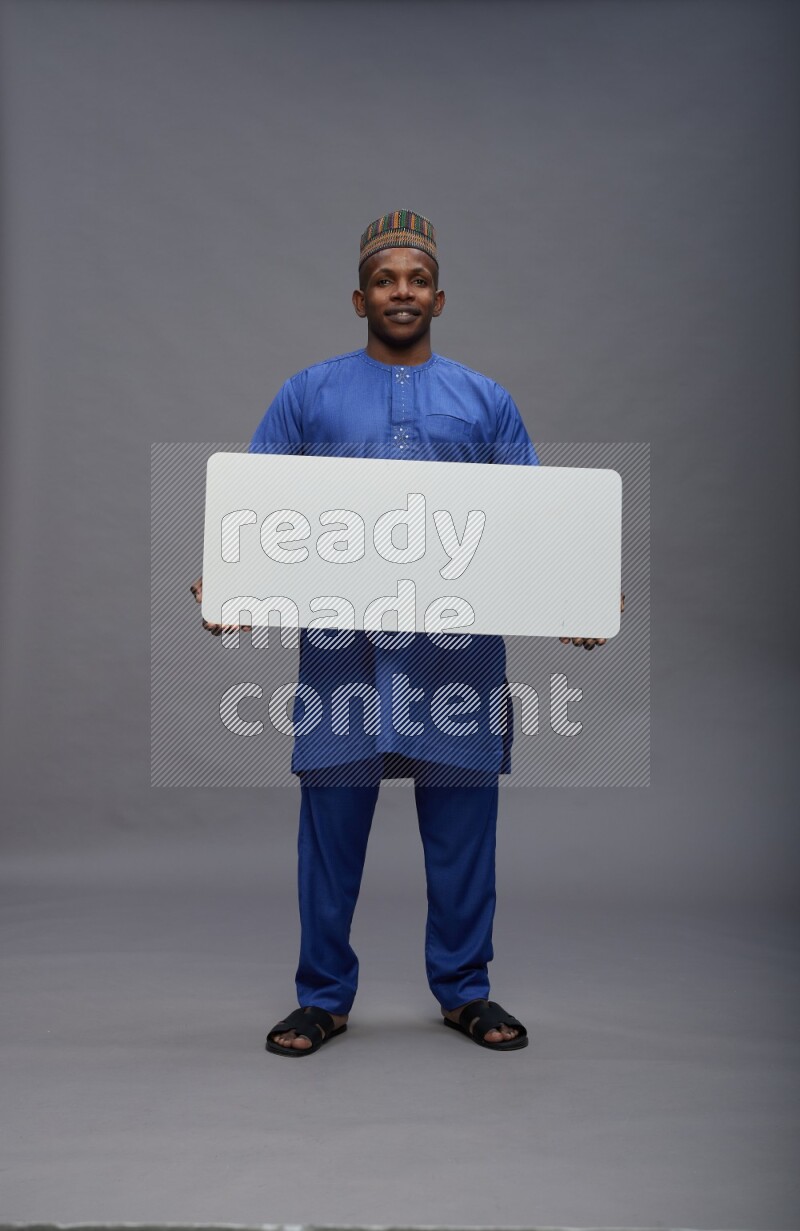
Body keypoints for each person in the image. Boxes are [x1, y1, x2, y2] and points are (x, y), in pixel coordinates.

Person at [191, 210, 615, 1056]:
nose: (401, 292)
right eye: (386, 280)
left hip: (453, 657)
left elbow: (535, 522)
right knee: (330, 829)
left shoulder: (485, 400)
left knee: (462, 834)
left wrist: (576, 598)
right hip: (343, 655)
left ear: (440, 296)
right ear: (359, 297)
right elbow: (252, 503)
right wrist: (228, 576)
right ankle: (322, 996)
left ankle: (466, 991)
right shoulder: (307, 393)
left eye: (416, 279)